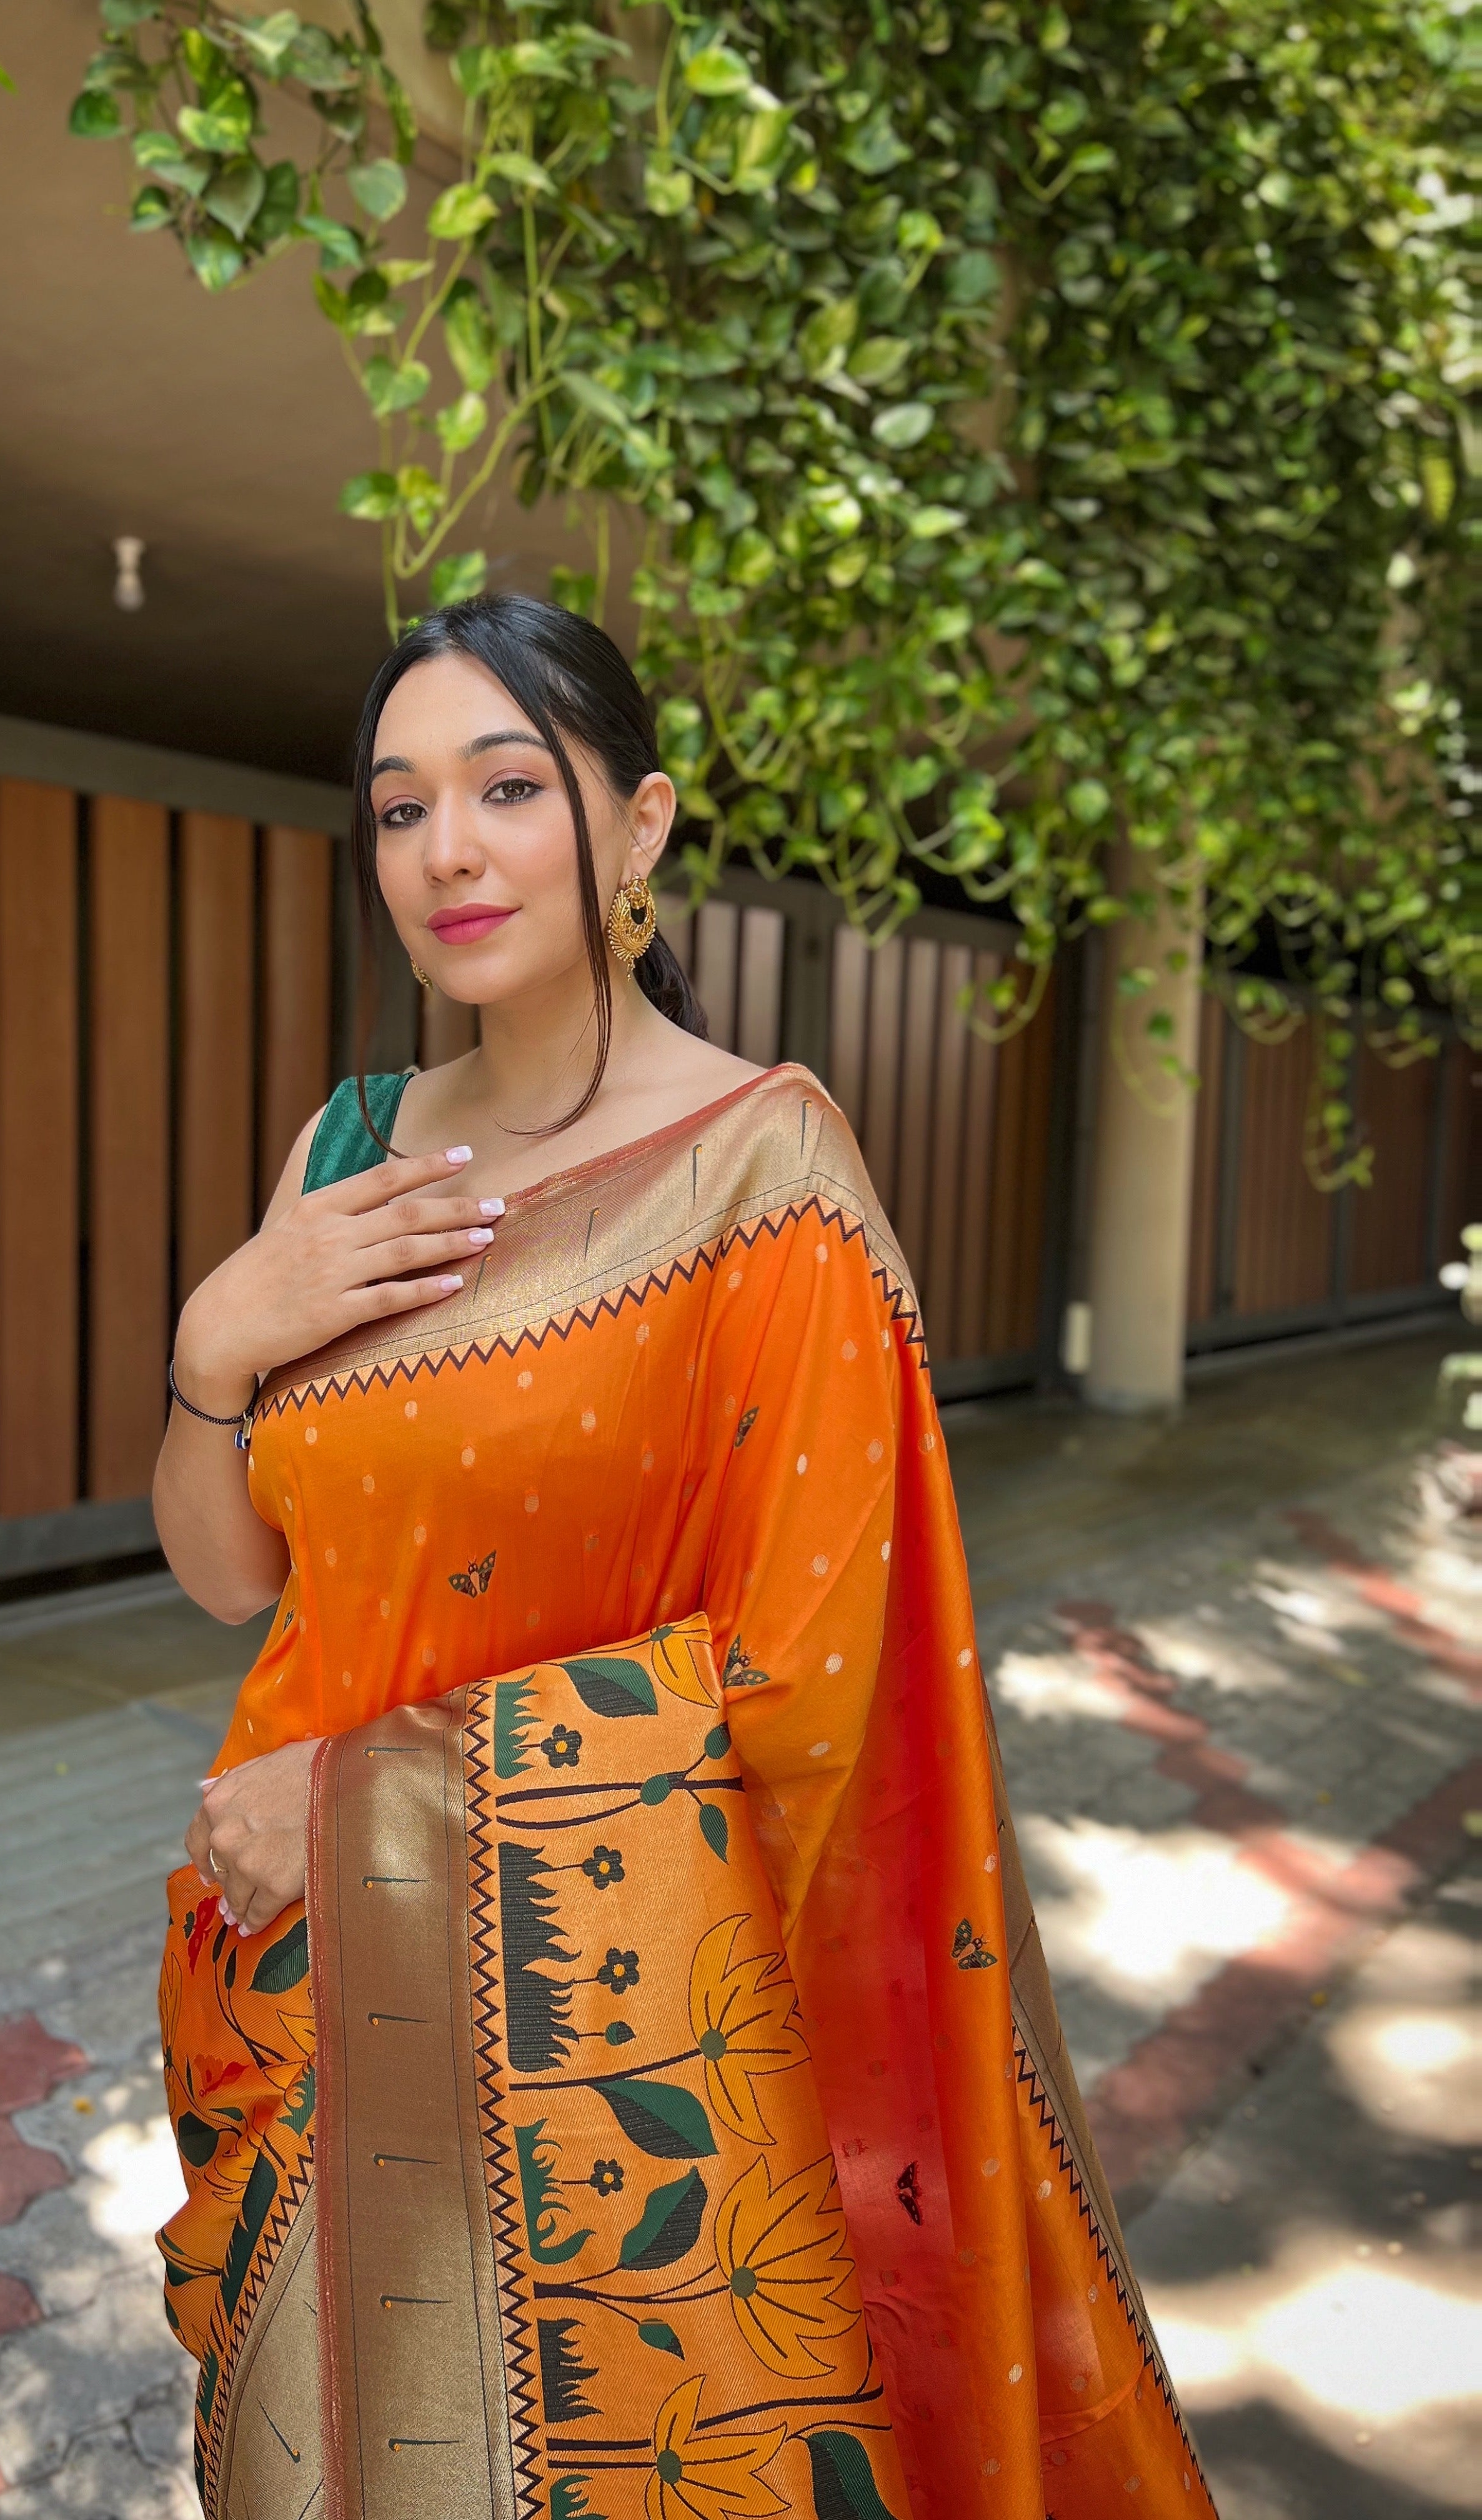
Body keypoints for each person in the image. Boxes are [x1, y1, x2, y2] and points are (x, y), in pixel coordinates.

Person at [153, 594, 1214, 2520]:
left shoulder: (763, 1174)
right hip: (291, 1982)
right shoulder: (352, 1147)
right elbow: (232, 1575)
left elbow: (815, 1683)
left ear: (637, 827)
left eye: (503, 788)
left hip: (597, 2039)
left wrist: (359, 1798)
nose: (445, 851)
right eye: (397, 809)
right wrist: (214, 1346)